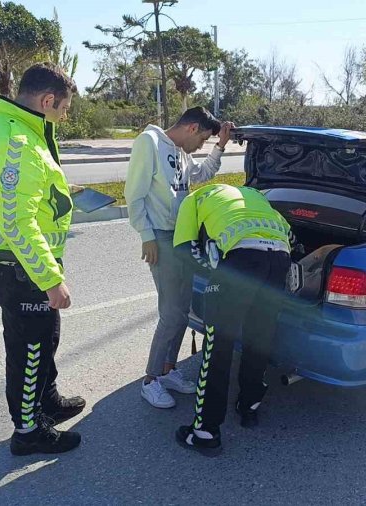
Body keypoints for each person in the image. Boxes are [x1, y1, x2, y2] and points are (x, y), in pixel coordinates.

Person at [0, 62, 85, 456]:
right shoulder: (17, 141)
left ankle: (46, 401)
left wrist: (59, 189)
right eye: (63, 109)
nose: (63, 116)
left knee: (45, 335)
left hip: (15, 260)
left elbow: (17, 191)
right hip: (19, 265)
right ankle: (28, 432)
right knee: (30, 347)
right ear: (47, 99)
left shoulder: (5, 125)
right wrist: (50, 279)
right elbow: (17, 222)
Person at [125, 107, 234, 409]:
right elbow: (133, 194)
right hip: (160, 236)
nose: (200, 146)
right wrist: (146, 235)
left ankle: (168, 370)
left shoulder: (181, 153)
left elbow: (201, 174)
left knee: (183, 310)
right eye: (201, 139)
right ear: (191, 127)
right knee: (171, 314)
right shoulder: (150, 142)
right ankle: (150, 380)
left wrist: (219, 145)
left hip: (181, 236)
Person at [172, 184, 293, 455]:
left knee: (218, 348)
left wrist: (218, 272)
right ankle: (249, 407)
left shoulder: (193, 199)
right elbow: (289, 236)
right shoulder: (258, 198)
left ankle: (204, 433)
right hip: (279, 259)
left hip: (241, 259)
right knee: (259, 337)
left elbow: (184, 250)